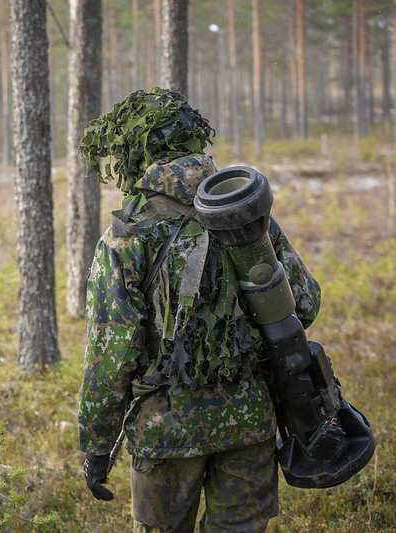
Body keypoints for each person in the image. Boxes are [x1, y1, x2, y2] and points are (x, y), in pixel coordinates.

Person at [77, 88, 321, 532]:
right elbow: (305, 303)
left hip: (166, 429)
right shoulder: (242, 211)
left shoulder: (129, 233)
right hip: (248, 420)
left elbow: (110, 354)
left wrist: (96, 444)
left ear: (138, 151)